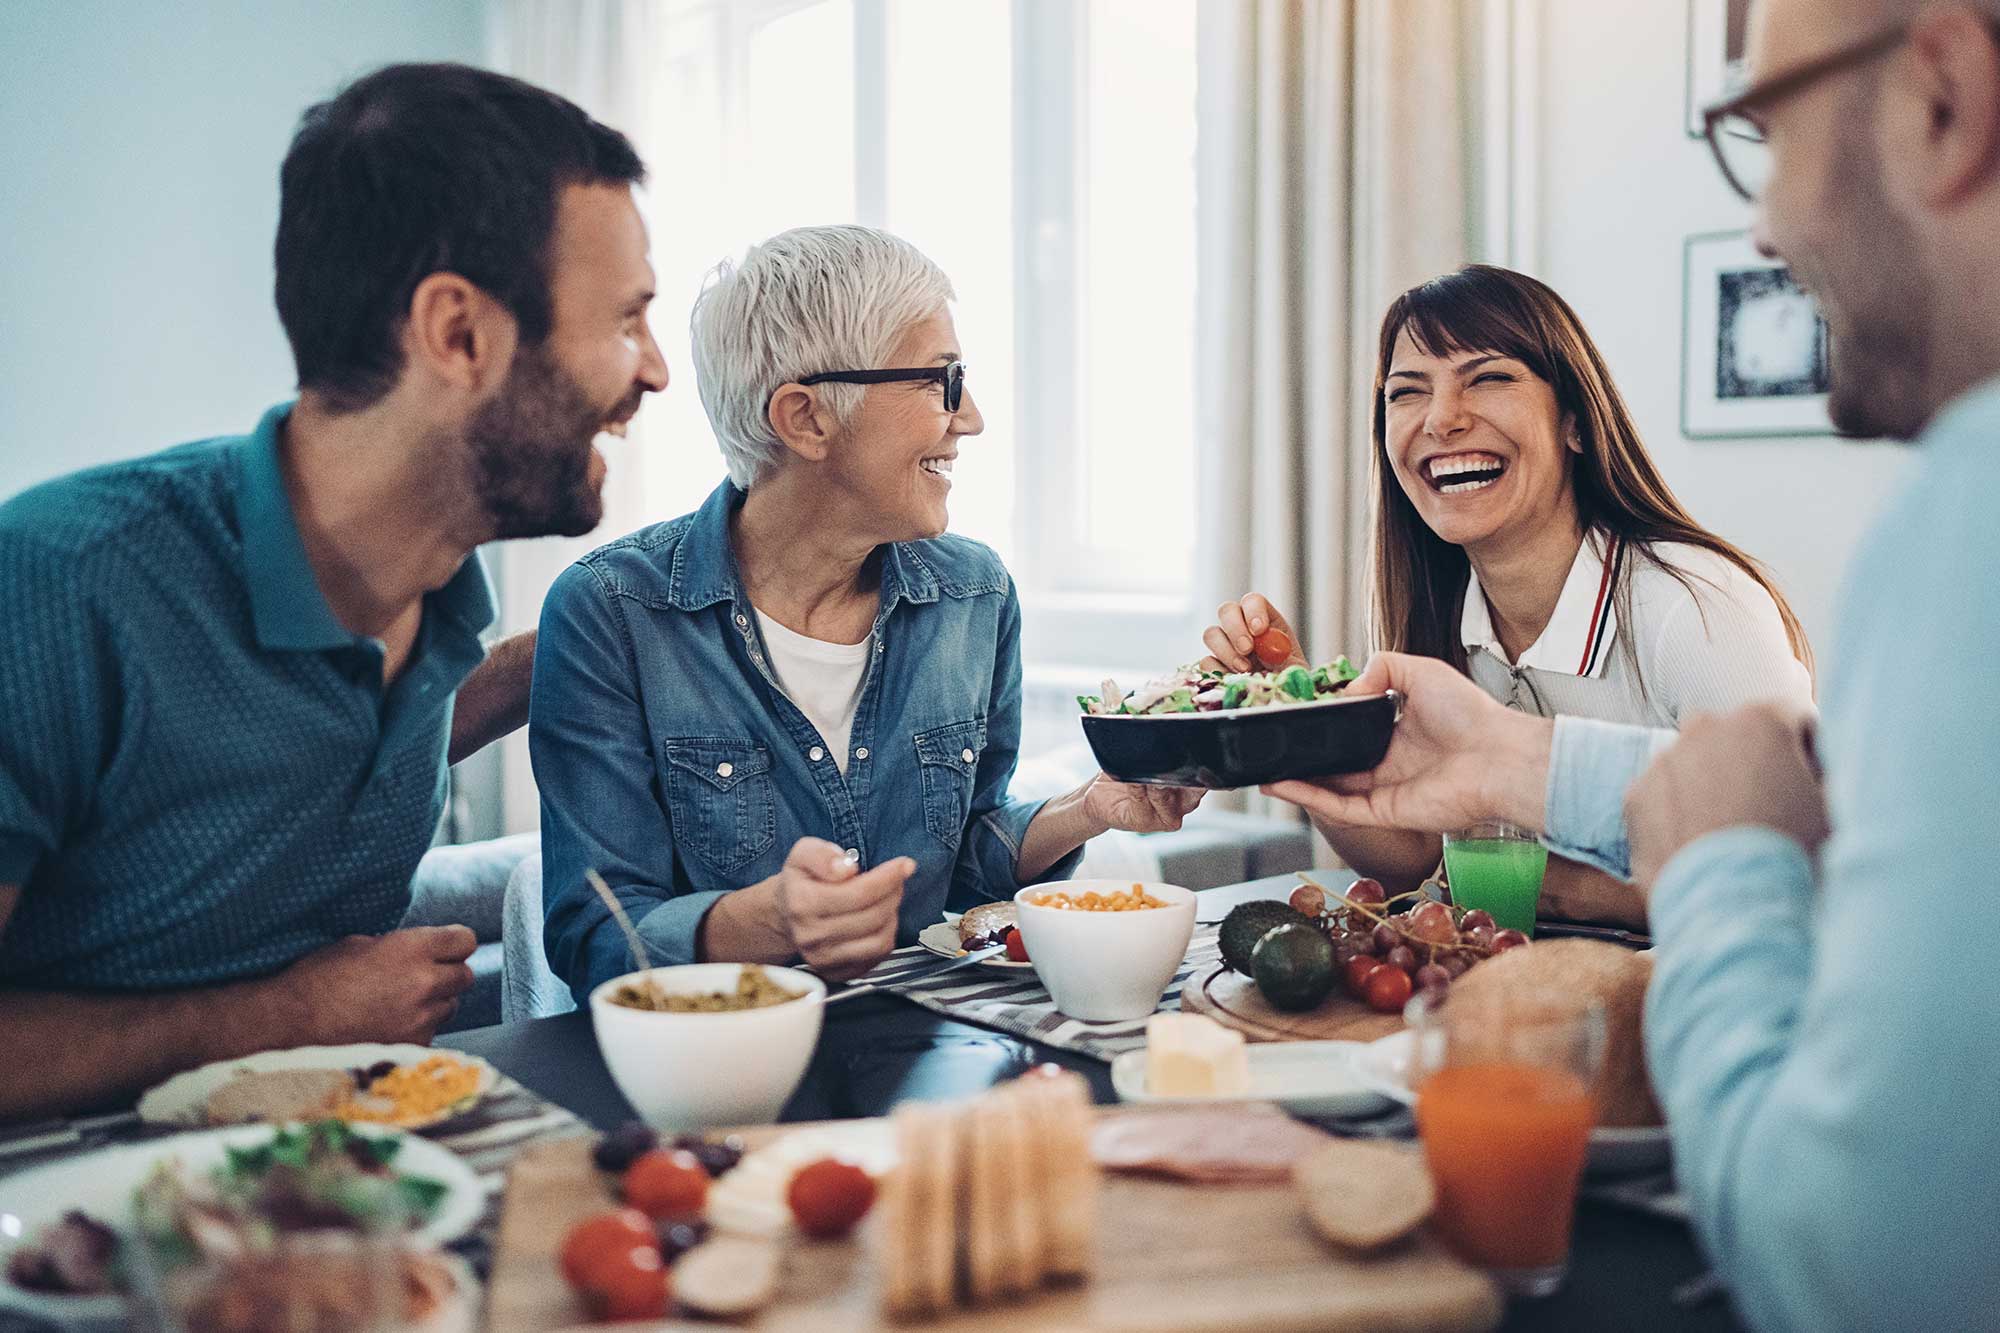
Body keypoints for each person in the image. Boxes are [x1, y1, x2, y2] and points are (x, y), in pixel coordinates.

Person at [1265, 1, 2000, 1326]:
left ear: (1943, 97)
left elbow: (1801, 882)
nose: (1764, 228)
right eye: (1405, 395)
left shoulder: (1772, 579)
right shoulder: (1453, 624)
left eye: (1761, 132)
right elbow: (1425, 851)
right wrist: (1312, 759)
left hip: (1678, 1109)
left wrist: (1642, 863)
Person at [0, 63, 668, 1121]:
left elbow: (299, 748)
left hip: (350, 1189)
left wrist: (556, 663)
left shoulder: (440, 576)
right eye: (627, 319)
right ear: (456, 334)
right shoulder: (54, 586)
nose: (656, 370)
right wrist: (275, 1015)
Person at [532, 224, 1201, 998]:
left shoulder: (976, 595)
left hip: (922, 1046)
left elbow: (966, 866)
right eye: (941, 381)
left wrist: (1089, 807)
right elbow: (596, 937)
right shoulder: (609, 615)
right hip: (718, 1070)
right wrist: (765, 922)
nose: (972, 416)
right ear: (806, 418)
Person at [1202, 265, 1812, 925]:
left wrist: (1557, 883)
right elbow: (1409, 856)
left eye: (1488, 378)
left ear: (1575, 421)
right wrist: (1301, 721)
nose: (1441, 419)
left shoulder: (1696, 606)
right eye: (1407, 392)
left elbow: (1803, 866)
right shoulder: (1442, 614)